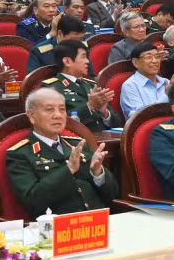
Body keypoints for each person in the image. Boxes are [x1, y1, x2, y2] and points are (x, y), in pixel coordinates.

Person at [6, 88, 117, 218]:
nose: (58, 115)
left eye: (62, 109)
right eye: (49, 110)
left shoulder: (77, 144)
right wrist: (69, 170)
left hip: (98, 222)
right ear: (32, 115)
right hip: (58, 228)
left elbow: (113, 194)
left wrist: (98, 174)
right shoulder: (20, 154)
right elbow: (33, 201)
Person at [39, 40, 123, 132]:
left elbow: (117, 124)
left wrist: (104, 112)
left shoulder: (91, 85)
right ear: (67, 61)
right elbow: (58, 121)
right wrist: (90, 106)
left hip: (104, 139)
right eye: (83, 57)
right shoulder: (51, 88)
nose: (87, 61)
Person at [119, 42, 170, 120]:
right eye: (148, 57)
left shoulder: (167, 82)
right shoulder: (130, 86)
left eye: (157, 57)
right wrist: (167, 95)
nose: (155, 61)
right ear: (135, 62)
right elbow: (140, 118)